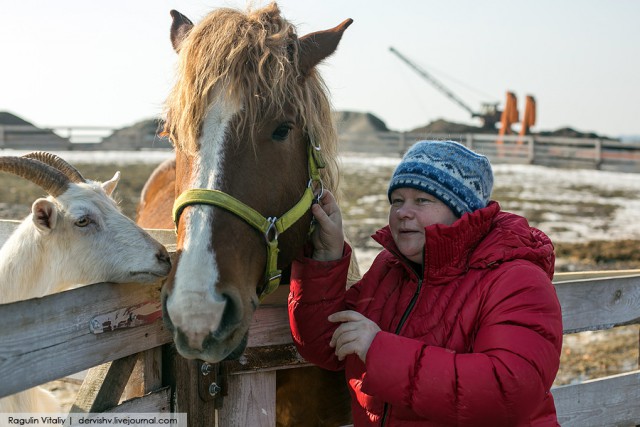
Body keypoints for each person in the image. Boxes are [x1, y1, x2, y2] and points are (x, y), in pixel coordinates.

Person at [288, 140, 563, 426]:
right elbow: (326, 344)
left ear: (462, 211)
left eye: (422, 200)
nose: (403, 212)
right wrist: (325, 256)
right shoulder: (389, 269)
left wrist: (378, 350)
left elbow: (508, 391)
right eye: (397, 200)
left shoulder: (516, 280)